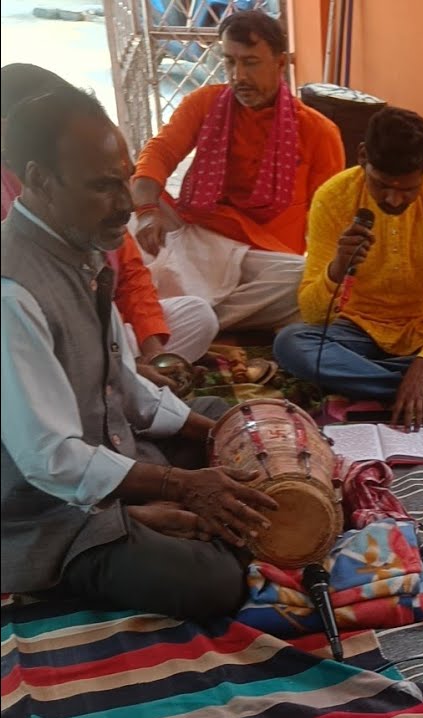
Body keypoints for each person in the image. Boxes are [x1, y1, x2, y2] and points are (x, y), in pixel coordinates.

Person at [1, 87, 278, 619]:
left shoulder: (78, 248)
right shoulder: (13, 290)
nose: (127, 204)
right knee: (213, 583)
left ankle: (147, 510)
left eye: (124, 180)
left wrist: (212, 432)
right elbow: (51, 459)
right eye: (103, 187)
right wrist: (181, 485)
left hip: (107, 453)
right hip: (41, 511)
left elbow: (123, 385)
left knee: (227, 420)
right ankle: (132, 521)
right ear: (39, 180)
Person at [273, 107, 423, 428]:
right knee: (291, 344)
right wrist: (337, 268)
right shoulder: (332, 198)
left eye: (408, 190)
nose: (394, 199)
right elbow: (313, 313)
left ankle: (383, 381)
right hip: (358, 330)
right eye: (383, 184)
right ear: (363, 157)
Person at [130, 10, 344, 331]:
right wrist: (147, 211)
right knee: (122, 186)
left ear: (281, 64)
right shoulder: (204, 103)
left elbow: (331, 224)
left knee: (301, 279)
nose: (238, 76)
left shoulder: (318, 132)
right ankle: (199, 313)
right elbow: (159, 153)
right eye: (230, 62)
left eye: (251, 62)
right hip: (196, 234)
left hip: (258, 258)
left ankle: (194, 318)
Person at [1, 63, 217, 366]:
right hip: (53, 348)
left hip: (105, 328)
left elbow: (128, 273)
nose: (128, 206)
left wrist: (153, 350)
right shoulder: (15, 284)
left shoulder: (88, 202)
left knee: (197, 316)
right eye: (104, 184)